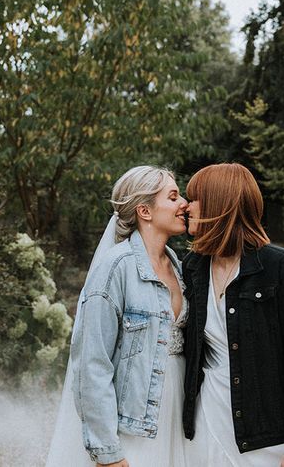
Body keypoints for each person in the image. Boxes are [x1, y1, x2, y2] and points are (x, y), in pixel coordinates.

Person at [182, 163, 284, 467]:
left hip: (265, 430)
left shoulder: (280, 268)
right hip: (207, 415)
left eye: (195, 198)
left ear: (218, 204)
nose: (186, 207)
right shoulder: (193, 266)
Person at [45, 165, 189, 467]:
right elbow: (92, 364)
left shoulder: (176, 263)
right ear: (144, 211)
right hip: (132, 424)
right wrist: (107, 451)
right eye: (173, 197)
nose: (184, 204)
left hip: (175, 412)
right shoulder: (115, 269)